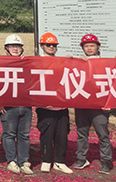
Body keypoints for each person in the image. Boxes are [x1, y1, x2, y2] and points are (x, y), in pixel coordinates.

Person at [73, 33, 112, 174]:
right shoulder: (79, 62)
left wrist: (109, 103)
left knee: (103, 134)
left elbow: (114, 83)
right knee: (81, 133)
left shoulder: (106, 63)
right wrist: (72, 60)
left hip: (99, 106)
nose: (89, 48)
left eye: (92, 45)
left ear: (98, 46)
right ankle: (81, 158)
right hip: (82, 105)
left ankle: (106, 161)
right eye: (86, 46)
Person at [35, 33, 72, 174]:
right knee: (47, 135)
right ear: (42, 46)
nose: (51, 47)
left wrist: (74, 61)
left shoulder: (62, 61)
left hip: (61, 107)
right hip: (45, 107)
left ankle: (59, 162)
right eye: (48, 45)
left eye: (54, 45)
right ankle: (46, 161)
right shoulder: (37, 61)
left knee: (62, 136)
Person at [0, 34, 34, 175]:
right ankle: (12, 161)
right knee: (9, 134)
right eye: (12, 46)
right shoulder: (0, 63)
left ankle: (24, 162)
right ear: (6, 49)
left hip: (25, 106)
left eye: (18, 46)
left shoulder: (27, 63)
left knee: (24, 135)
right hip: (8, 107)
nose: (15, 49)